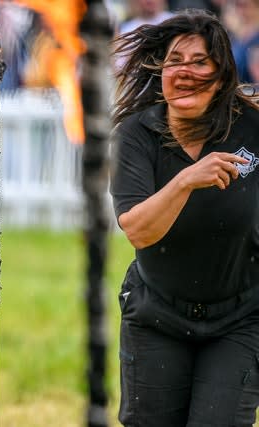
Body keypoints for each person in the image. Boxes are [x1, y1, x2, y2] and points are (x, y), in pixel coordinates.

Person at [110, 9, 259, 426]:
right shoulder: (136, 135)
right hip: (157, 313)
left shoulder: (252, 128)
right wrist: (185, 181)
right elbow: (138, 231)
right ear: (160, 72)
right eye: (175, 61)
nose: (186, 72)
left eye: (200, 62)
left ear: (222, 73)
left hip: (240, 318)